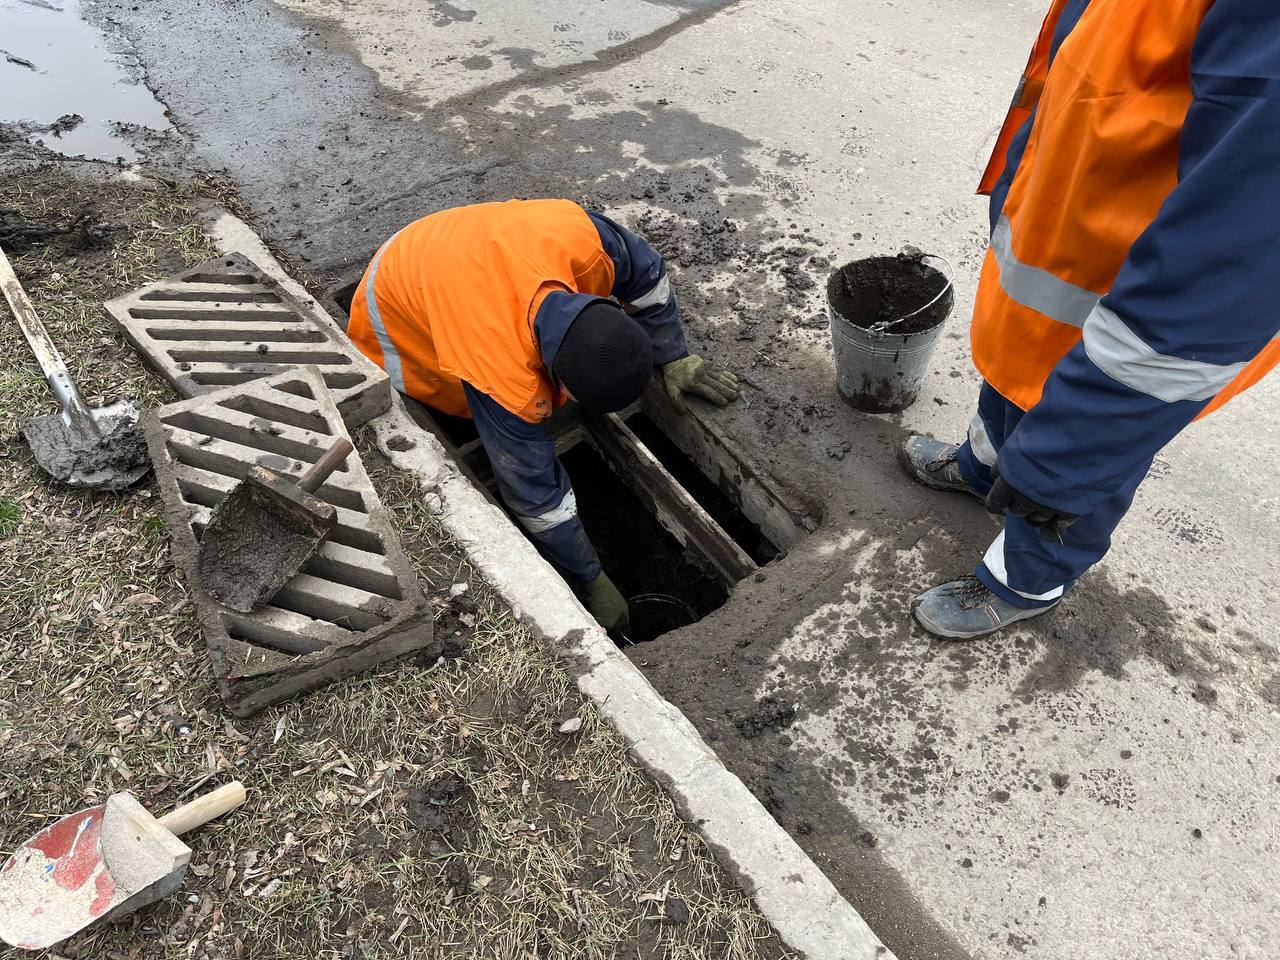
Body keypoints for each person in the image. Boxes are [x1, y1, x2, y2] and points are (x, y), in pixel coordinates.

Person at [901, 0, 1280, 639]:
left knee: (1081, 456)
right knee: (1013, 379)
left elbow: (1222, 266)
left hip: (1129, 313)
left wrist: (1066, 464)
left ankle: (1026, 580)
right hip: (1056, 255)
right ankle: (985, 466)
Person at [346, 199, 739, 631]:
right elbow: (533, 492)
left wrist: (675, 356)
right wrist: (591, 578)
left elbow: (649, 280)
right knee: (462, 403)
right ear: (560, 379)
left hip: (458, 246)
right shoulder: (500, 367)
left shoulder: (589, 244)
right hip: (394, 303)